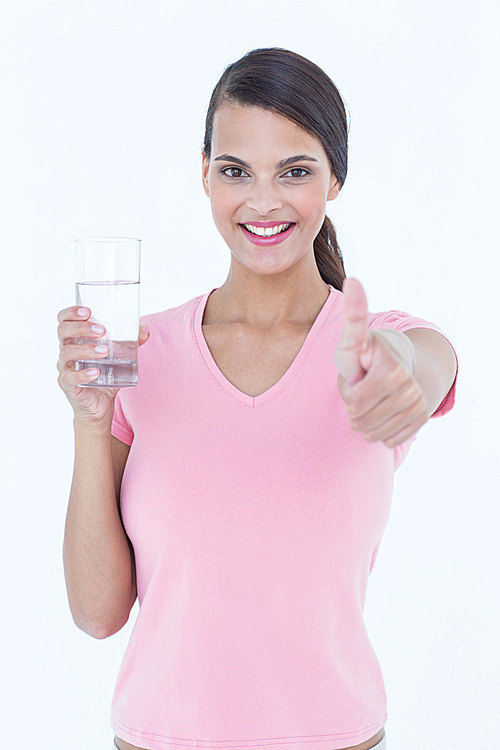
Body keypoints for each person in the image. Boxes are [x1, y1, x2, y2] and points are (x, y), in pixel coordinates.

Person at [58, 47, 459, 750]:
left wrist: (393, 372)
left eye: (296, 171)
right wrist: (89, 423)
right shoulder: (138, 353)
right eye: (236, 171)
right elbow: (97, 614)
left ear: (336, 178)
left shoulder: (377, 342)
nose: (264, 201)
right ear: (204, 174)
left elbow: (427, 365)